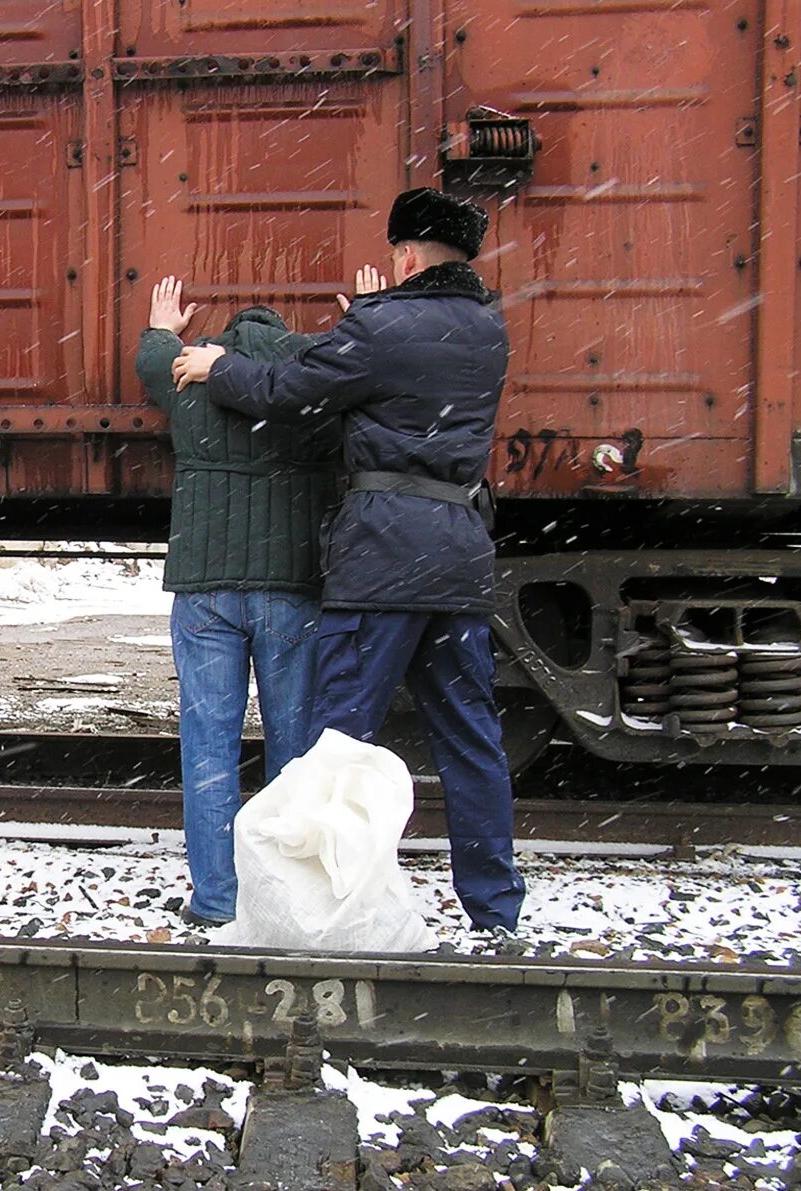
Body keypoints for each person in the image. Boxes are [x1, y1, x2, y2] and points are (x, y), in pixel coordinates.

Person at [171, 187, 526, 934]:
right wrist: (366, 321)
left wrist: (213, 366)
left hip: (383, 560)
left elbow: (287, 390)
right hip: (460, 556)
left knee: (335, 746)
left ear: (404, 256)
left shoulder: (383, 326)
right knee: (470, 737)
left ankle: (328, 902)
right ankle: (495, 909)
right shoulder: (489, 330)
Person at [136, 278, 343, 928]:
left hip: (205, 588)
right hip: (290, 588)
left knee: (208, 745)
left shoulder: (190, 372)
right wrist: (359, 323)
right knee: (293, 748)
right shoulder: (311, 379)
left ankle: (217, 898)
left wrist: (161, 326)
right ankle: (281, 892)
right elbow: (364, 378)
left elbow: (150, 363)